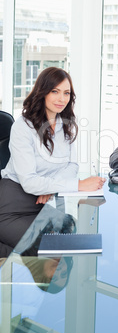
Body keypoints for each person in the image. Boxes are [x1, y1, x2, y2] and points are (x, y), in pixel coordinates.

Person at [0, 67, 105, 256]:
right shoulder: (22, 127)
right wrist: (79, 185)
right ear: (42, 92)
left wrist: (49, 188)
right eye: (55, 91)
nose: (61, 99)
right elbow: (29, 182)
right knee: (51, 246)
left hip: (42, 202)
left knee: (69, 229)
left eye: (66, 93)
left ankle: (14, 251)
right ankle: (8, 253)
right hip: (12, 206)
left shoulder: (65, 126)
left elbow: (72, 166)